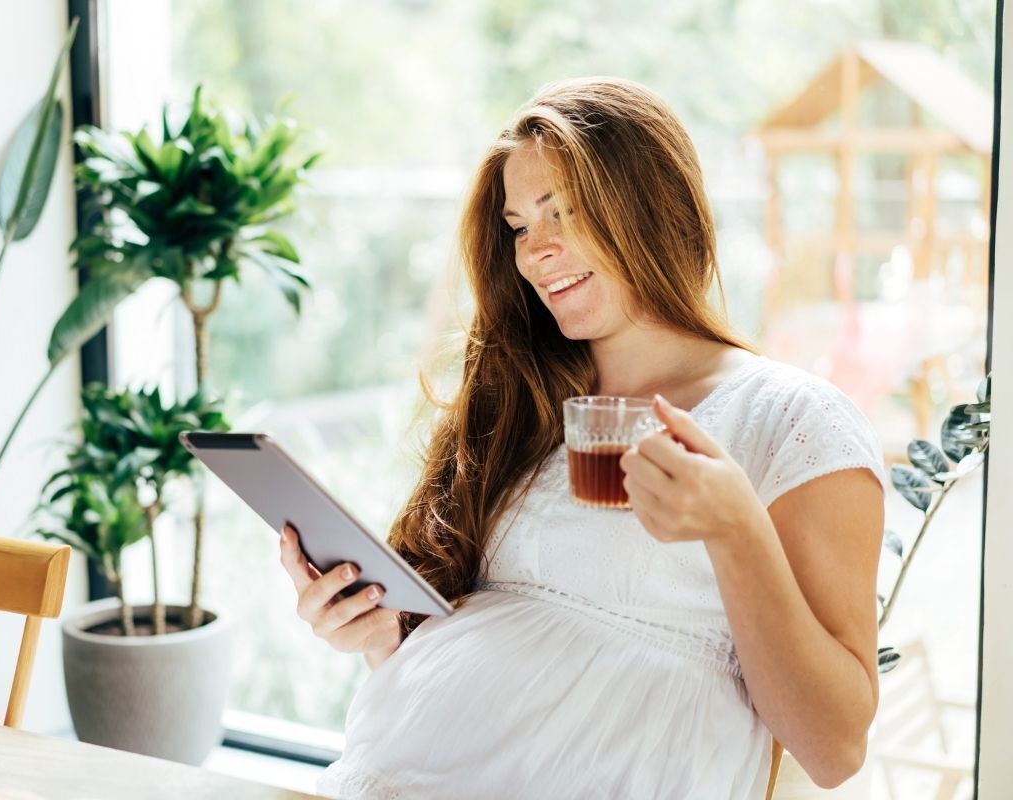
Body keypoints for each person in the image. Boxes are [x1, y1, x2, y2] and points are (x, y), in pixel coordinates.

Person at [278, 76, 886, 799]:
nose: (535, 252)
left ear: (650, 206)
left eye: (560, 211)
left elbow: (835, 748)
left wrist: (736, 532)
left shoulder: (791, 419)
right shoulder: (519, 402)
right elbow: (498, 662)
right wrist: (379, 639)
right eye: (518, 226)